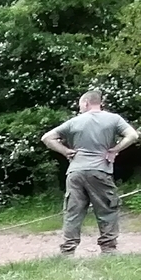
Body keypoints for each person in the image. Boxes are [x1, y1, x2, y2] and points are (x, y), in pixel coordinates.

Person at [42, 89, 138, 254]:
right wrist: (115, 150)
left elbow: (47, 138)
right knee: (107, 209)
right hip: (100, 171)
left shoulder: (74, 122)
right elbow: (133, 135)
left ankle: (68, 251)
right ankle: (108, 249)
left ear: (86, 103)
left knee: (73, 212)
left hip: (75, 172)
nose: (79, 108)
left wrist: (65, 151)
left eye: (80, 104)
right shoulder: (114, 119)